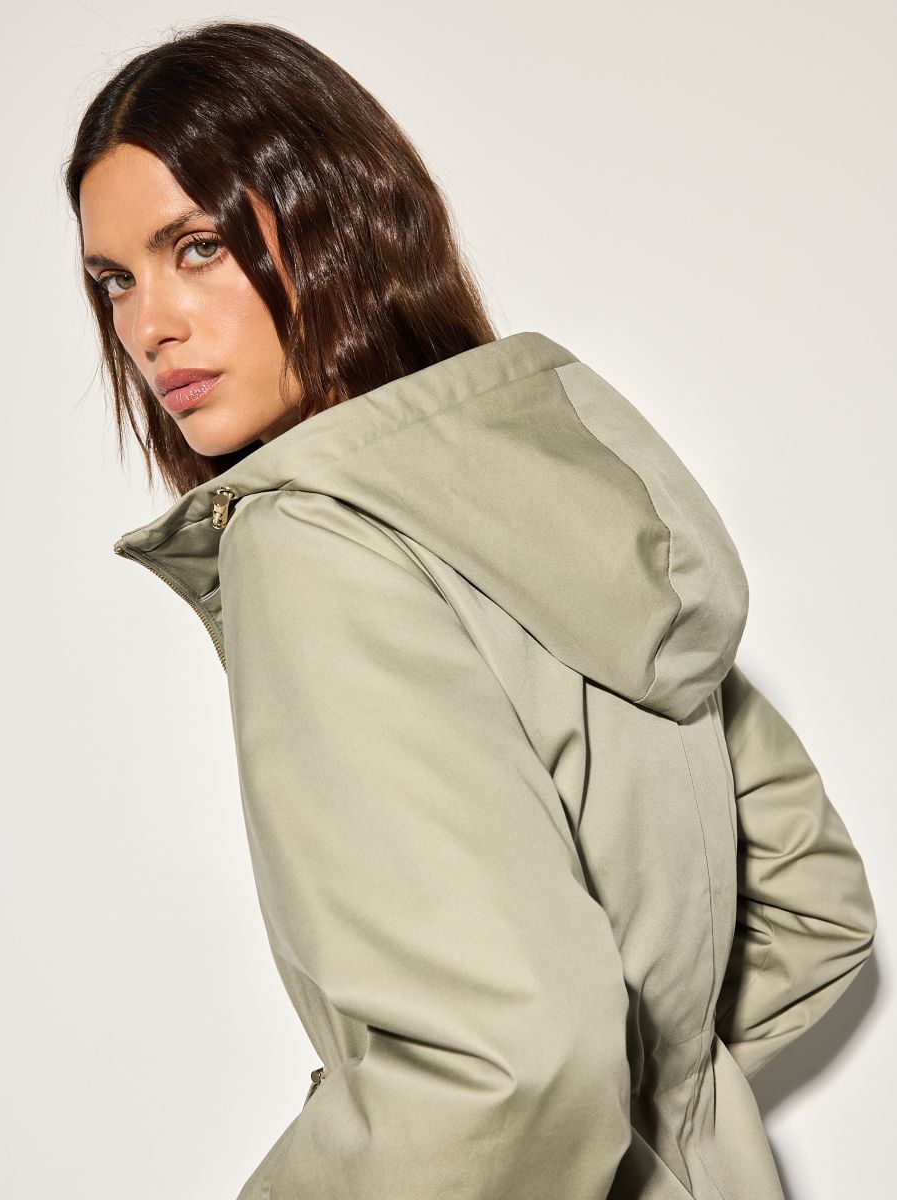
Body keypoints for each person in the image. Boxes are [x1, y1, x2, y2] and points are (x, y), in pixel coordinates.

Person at [65, 18, 876, 1200]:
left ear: (335, 229)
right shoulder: (551, 498)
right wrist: (655, 1115)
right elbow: (813, 904)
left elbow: (508, 1068)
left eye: (199, 247)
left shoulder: (315, 542)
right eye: (115, 280)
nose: (150, 326)